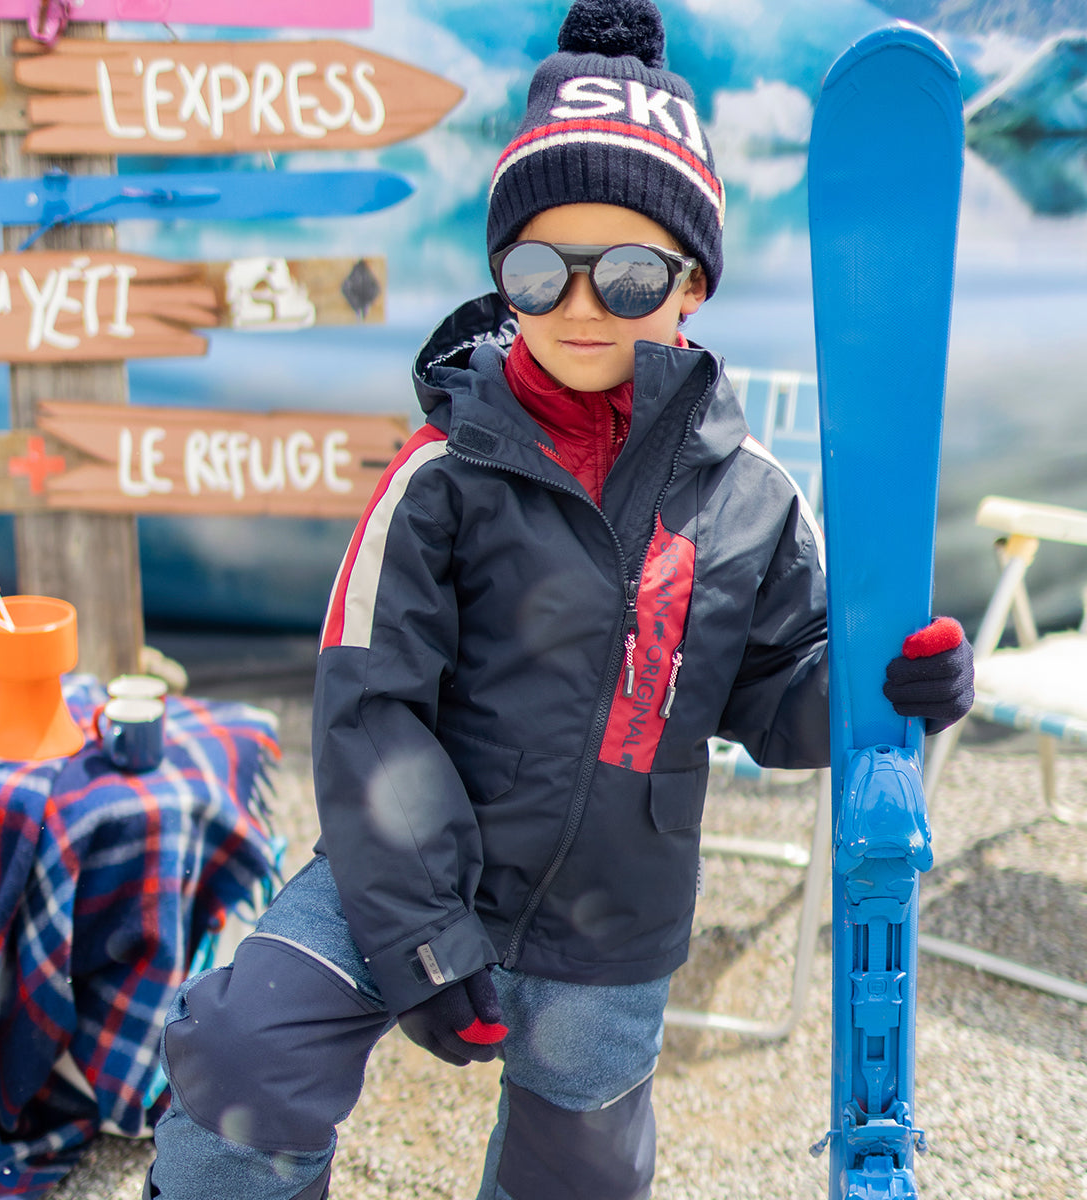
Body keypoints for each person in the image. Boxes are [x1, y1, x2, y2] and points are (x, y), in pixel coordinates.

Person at [145, 2, 974, 1197]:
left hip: (610, 929)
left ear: (691, 284)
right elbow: (370, 705)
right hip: (411, 877)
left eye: (631, 271)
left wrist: (893, 688)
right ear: (504, 278)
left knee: (576, 1177)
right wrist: (424, 933)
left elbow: (781, 692)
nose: (583, 303)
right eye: (541, 268)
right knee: (241, 1052)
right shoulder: (444, 476)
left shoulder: (747, 503)